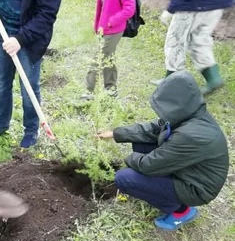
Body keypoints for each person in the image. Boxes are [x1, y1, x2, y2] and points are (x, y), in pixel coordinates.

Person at [98, 71, 229, 230]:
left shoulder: (191, 135)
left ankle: (182, 211)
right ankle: (157, 189)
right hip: (189, 169)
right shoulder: (189, 114)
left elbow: (148, 165)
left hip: (196, 187)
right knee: (141, 143)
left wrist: (129, 159)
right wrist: (115, 133)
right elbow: (152, 129)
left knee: (123, 178)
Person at [0, 0, 64, 148]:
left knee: (29, 88)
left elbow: (47, 14)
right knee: (1, 82)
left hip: (29, 38)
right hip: (2, 29)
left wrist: (20, 39)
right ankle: (0, 125)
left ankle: (31, 130)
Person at [151, 0, 235, 95]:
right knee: (200, 39)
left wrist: (172, 7)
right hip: (219, 1)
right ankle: (213, 77)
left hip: (194, 2)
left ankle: (172, 79)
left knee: (176, 39)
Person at [82, 0, 135, 100]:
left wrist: (111, 21)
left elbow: (130, 8)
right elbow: (104, 6)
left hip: (114, 28)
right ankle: (111, 89)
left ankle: (89, 92)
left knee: (98, 58)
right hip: (104, 28)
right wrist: (98, 25)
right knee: (109, 57)